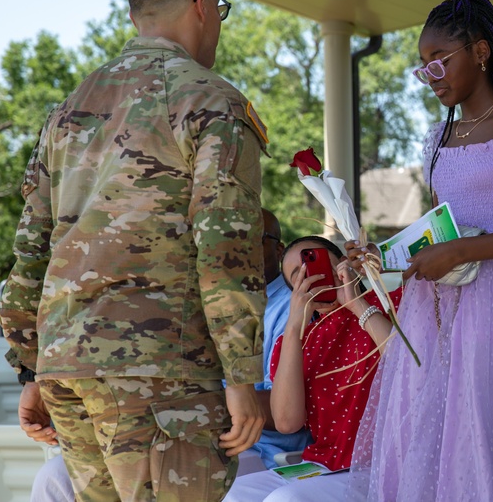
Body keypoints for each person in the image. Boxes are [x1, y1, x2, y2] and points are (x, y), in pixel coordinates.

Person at [0, 0, 270, 502]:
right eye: (220, 10)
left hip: (67, 364)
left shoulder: (70, 108)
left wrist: (32, 368)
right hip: (159, 371)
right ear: (203, 4)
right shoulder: (211, 101)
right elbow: (226, 249)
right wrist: (241, 378)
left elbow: (31, 246)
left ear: (134, 13)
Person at [348, 0, 493, 502]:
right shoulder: (437, 139)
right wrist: (387, 258)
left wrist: (463, 252)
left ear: (480, 51)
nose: (432, 77)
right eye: (423, 68)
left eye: (439, 61)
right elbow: (439, 230)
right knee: (429, 429)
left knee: (482, 427)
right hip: (435, 309)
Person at [30, 210, 310, 502]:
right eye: (224, 238)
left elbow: (285, 410)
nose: (235, 246)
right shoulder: (200, 300)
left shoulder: (295, 306)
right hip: (175, 429)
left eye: (251, 237)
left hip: (253, 448)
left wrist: (196, 407)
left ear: (277, 249)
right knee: (54, 477)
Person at [222, 236, 401, 502]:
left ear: (342, 262)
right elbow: (286, 422)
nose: (310, 277)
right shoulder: (297, 339)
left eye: (313, 263)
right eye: (299, 275)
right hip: (325, 465)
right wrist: (294, 327)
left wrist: (357, 305)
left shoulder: (389, 303)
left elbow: (408, 367)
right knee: (232, 494)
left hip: (381, 463)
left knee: (286, 499)